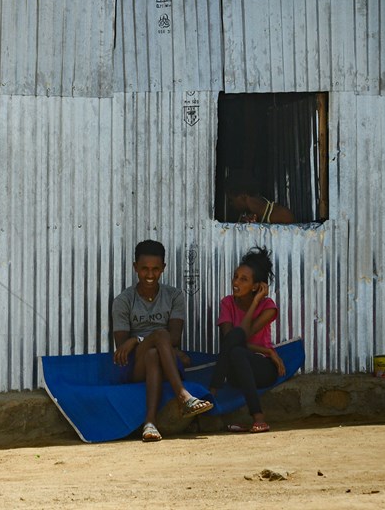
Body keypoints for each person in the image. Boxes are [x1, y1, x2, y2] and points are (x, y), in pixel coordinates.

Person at [112, 240, 213, 442]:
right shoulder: (123, 301)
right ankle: (183, 395)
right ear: (135, 268)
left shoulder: (174, 296)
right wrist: (144, 341)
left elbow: (174, 337)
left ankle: (150, 424)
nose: (150, 275)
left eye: (155, 269)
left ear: (163, 268)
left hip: (164, 359)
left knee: (154, 351)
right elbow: (123, 348)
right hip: (135, 366)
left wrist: (137, 339)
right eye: (144, 269)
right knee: (159, 337)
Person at [208, 247, 285, 433]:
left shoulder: (268, 306)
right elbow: (230, 340)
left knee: (237, 348)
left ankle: (214, 390)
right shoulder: (227, 302)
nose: (236, 282)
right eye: (235, 277)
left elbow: (244, 334)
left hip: (263, 368)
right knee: (235, 348)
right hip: (236, 367)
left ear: (256, 286)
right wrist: (269, 350)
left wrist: (256, 301)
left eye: (243, 279)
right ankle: (257, 417)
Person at [224, 171, 295, 224]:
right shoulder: (244, 219)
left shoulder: (282, 215)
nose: (231, 204)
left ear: (243, 196)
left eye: (231, 200)